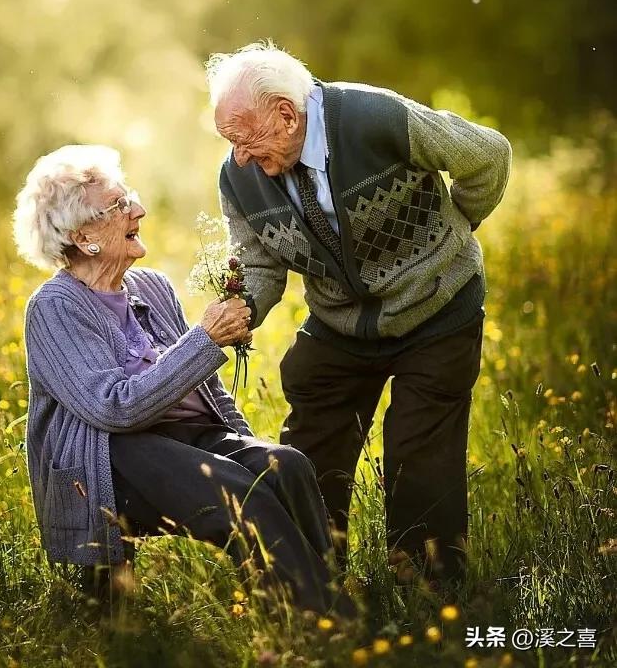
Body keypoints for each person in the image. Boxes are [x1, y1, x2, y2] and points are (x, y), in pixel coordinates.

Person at [207, 41, 512, 588]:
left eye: (242, 136)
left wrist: (454, 228)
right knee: (311, 437)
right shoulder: (239, 177)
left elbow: (488, 154)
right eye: (228, 141)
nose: (240, 157)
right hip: (341, 322)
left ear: (285, 113)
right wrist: (242, 307)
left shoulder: (376, 117)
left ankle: (427, 588)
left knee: (420, 450)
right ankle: (309, 575)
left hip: (437, 308)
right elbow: (258, 263)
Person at [13, 144, 343, 614]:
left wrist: (245, 445)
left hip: (190, 439)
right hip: (115, 457)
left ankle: (301, 609)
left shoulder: (151, 287)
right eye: (120, 205)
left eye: (131, 197)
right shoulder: (54, 308)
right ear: (84, 236)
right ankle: (331, 624)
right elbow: (114, 407)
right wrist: (205, 339)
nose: (139, 209)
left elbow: (205, 388)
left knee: (284, 465)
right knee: (240, 494)